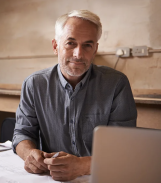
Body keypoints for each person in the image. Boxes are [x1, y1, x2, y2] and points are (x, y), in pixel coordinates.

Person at [12, 10, 137, 181]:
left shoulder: (116, 84)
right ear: (56, 46)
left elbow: (125, 146)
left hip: (100, 175)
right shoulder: (34, 84)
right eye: (71, 43)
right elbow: (22, 133)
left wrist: (83, 165)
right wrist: (29, 154)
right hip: (49, 177)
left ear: (95, 49)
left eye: (87, 45)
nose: (78, 54)